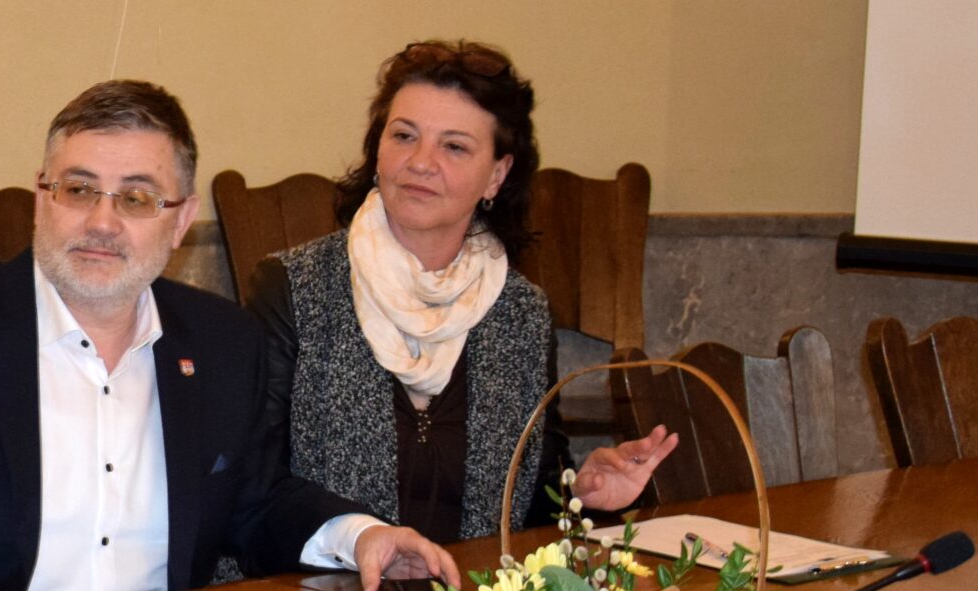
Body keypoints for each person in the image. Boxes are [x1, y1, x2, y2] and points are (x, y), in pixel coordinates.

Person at [0, 80, 460, 591]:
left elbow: (255, 502)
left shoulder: (222, 341)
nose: (102, 222)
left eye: (138, 199)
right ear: (41, 196)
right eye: (78, 189)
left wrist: (362, 535)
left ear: (182, 220)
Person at [244, 41, 675, 546]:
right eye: (404, 135)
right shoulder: (294, 289)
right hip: (321, 587)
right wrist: (356, 540)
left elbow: (529, 497)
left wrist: (582, 492)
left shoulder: (522, 314)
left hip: (474, 589)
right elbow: (252, 490)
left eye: (454, 146)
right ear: (377, 150)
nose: (420, 162)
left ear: (497, 175)